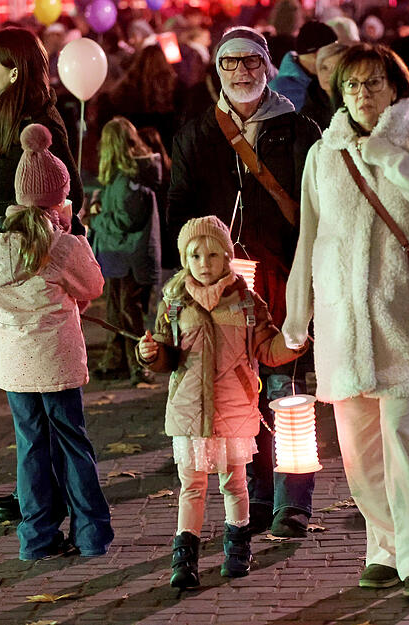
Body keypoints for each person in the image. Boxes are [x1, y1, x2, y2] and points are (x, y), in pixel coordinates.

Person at [283, 42, 409, 598]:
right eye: (353, 84)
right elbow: (309, 237)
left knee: (402, 440)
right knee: (357, 454)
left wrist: (388, 157)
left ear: (395, 86)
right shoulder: (323, 152)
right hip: (341, 321)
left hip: (401, 317)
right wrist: (297, 313)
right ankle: (383, 545)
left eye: (374, 82)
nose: (362, 93)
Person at [168, 26, 322, 538]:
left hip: (283, 281)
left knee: (289, 390)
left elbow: (318, 208)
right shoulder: (196, 133)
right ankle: (256, 500)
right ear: (217, 70)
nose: (241, 72)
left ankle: (292, 504)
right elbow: (179, 210)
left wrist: (311, 269)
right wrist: (193, 273)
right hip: (221, 293)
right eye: (230, 63)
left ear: (268, 65)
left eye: (251, 62)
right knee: (239, 399)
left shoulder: (299, 130)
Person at [0, 124, 114, 561]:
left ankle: (36, 538)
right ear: (58, 198)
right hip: (59, 359)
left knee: (30, 446)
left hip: (15, 363)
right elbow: (94, 285)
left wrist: (9, 320)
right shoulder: (61, 245)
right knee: (72, 442)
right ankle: (91, 534)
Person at [136, 216, 307, 589]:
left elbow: (267, 346)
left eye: (213, 254)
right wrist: (150, 353)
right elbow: (167, 353)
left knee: (235, 483)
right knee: (192, 485)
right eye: (195, 255)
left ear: (227, 257)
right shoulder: (175, 300)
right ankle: (185, 557)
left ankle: (238, 546)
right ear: (185, 258)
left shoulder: (246, 301)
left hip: (234, 406)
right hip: (189, 410)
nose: (204, 263)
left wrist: (292, 342)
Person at [0, 26, 84, 522]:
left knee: (43, 405)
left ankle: (47, 497)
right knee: (25, 401)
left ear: (15, 72)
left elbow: (60, 194)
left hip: (27, 277)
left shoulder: (39, 124)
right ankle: (36, 491)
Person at [0, 27, 83, 253]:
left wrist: (16, 220)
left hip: (17, 256)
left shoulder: (41, 124)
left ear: (14, 73)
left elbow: (72, 193)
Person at [89, 117, 162, 385]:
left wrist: (96, 218)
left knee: (128, 312)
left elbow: (125, 220)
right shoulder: (123, 177)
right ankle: (116, 360)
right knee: (115, 310)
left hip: (126, 256)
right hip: (117, 256)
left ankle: (139, 365)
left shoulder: (128, 179)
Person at [268, 20, 338, 111]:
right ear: (317, 54)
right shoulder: (279, 93)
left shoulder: (323, 80)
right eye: (332, 52)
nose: (336, 57)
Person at [300, 41, 349, 129]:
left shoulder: (353, 103)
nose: (328, 75)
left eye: (335, 69)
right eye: (324, 68)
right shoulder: (311, 102)